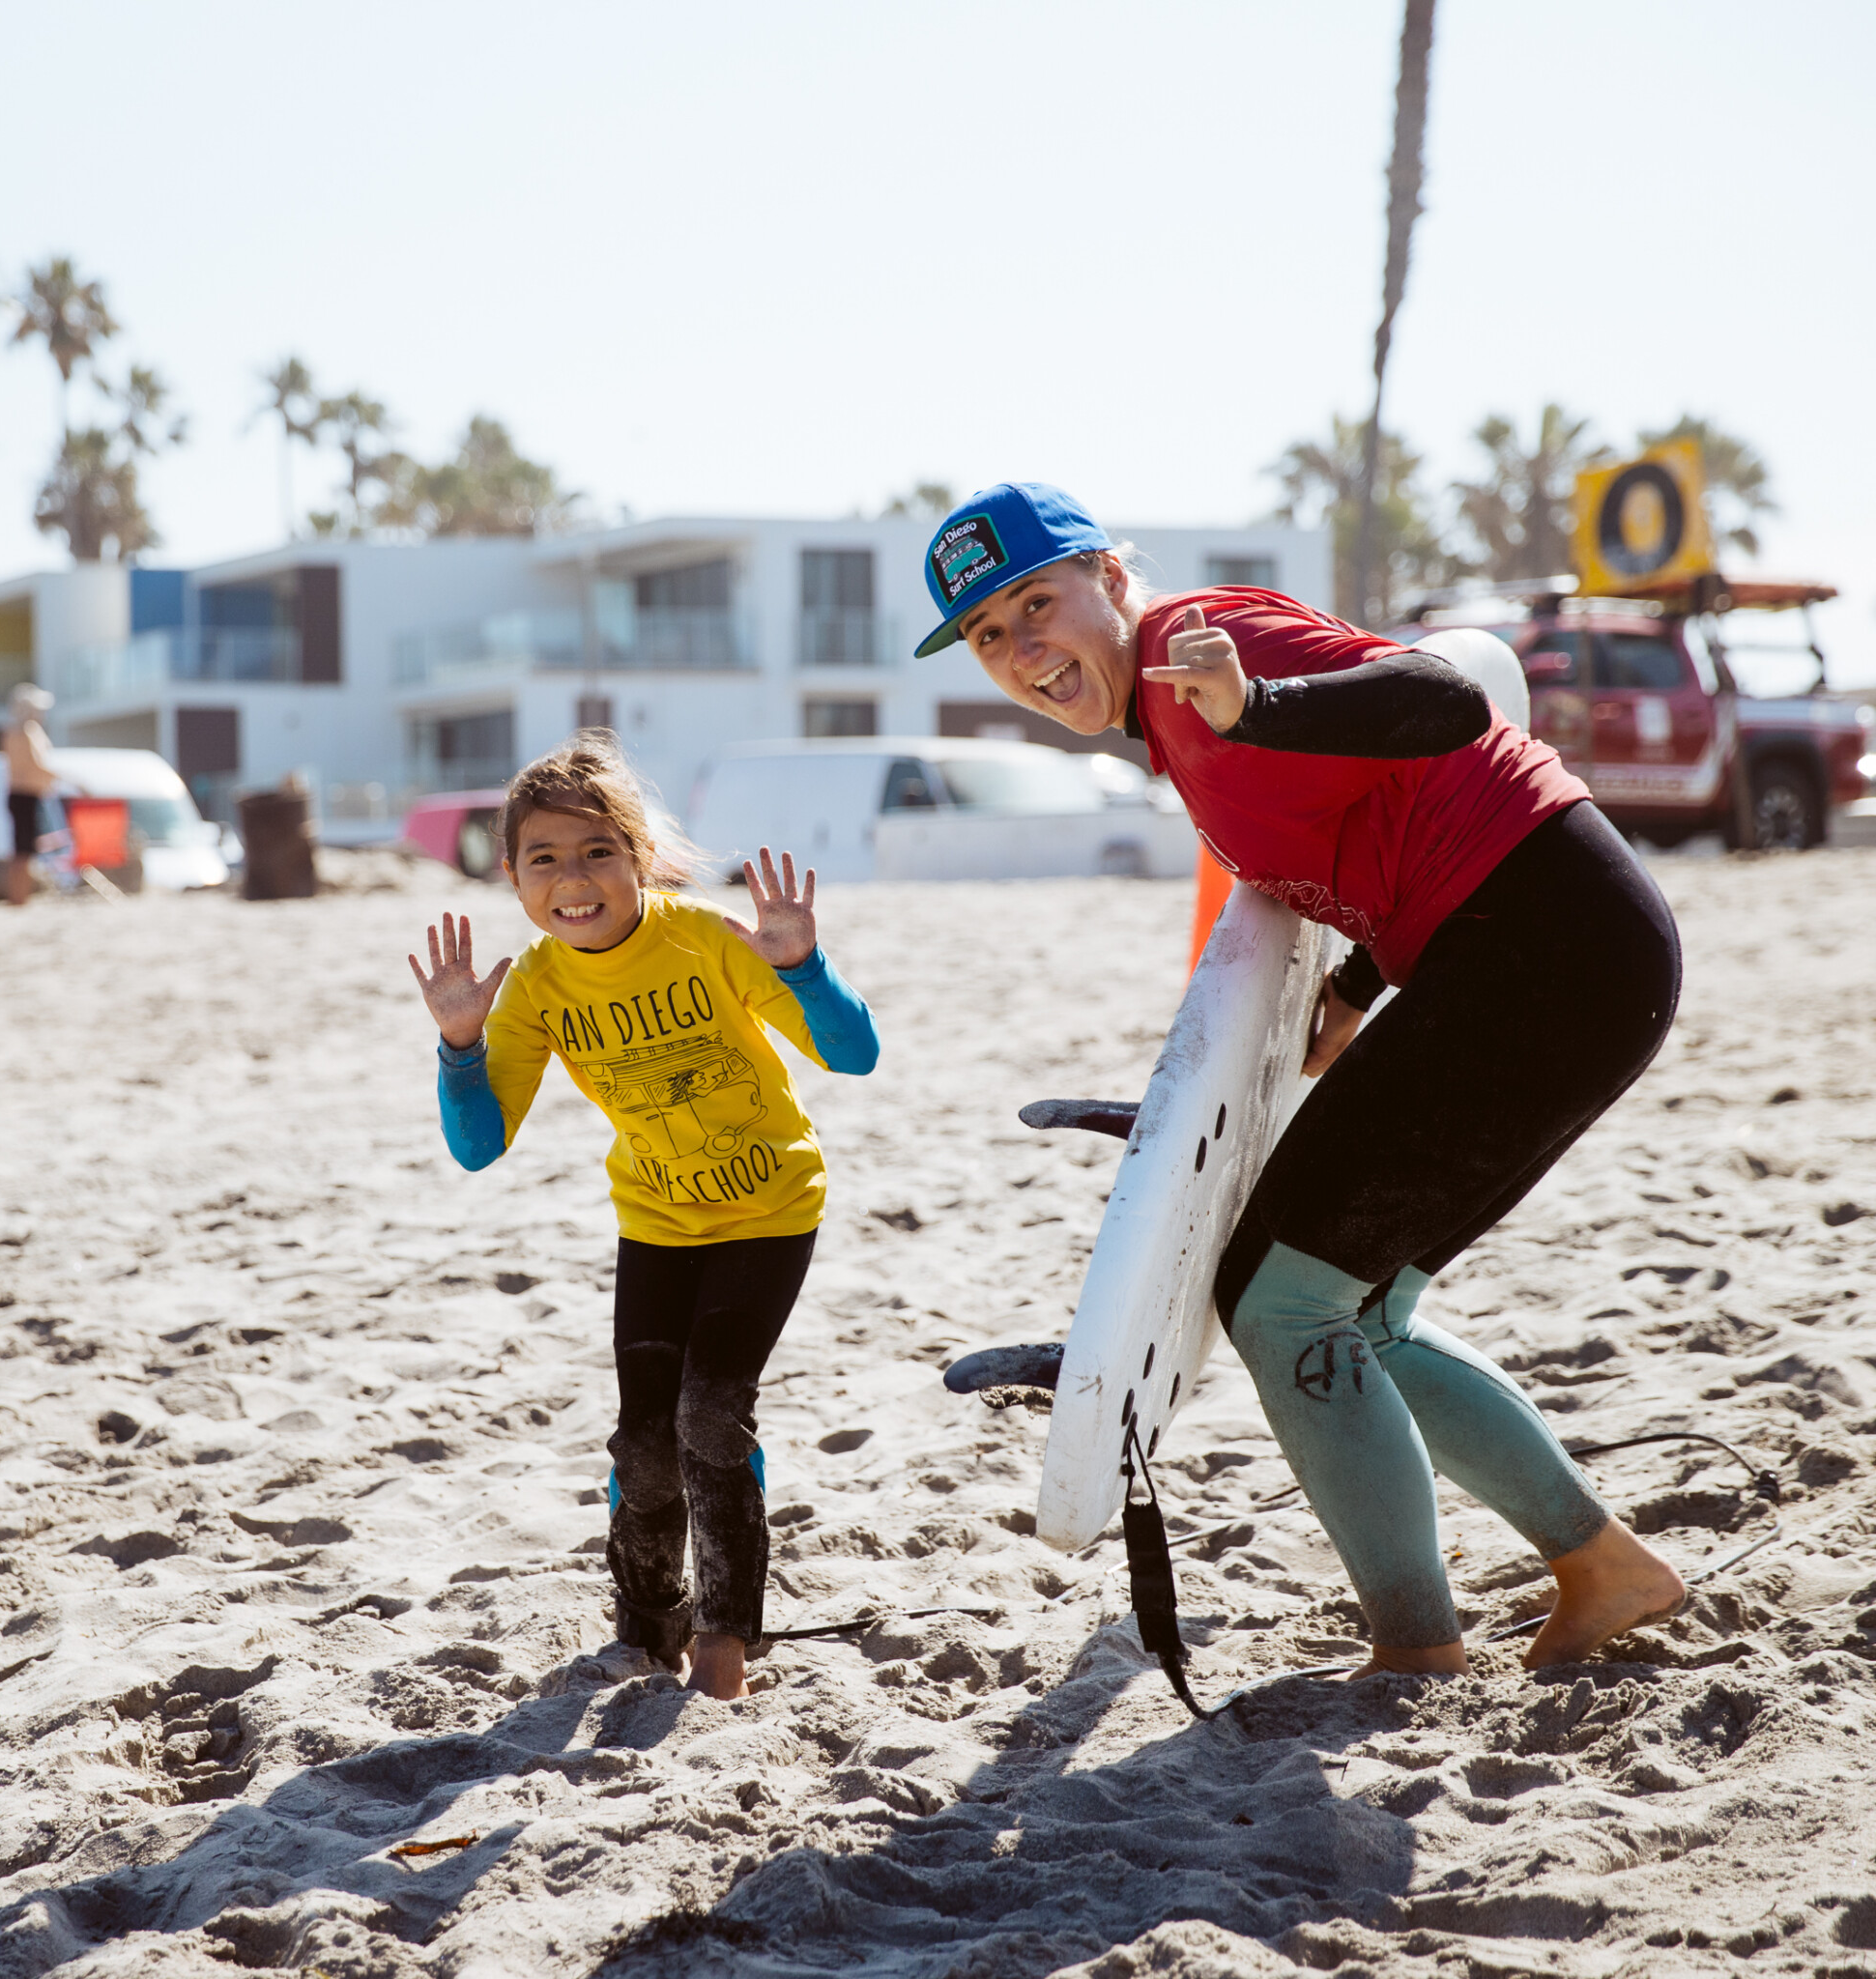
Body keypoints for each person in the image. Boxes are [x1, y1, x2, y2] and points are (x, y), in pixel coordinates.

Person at [916, 482, 1687, 1678]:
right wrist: (1358, 979)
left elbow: (1445, 699)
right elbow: (1387, 804)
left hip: (1543, 948)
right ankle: (1603, 1570)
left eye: (1036, 604)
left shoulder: (1191, 650)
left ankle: (1417, 1646)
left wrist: (1254, 699)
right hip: (1539, 955)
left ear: (1110, 582)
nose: (1023, 650)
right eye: (987, 636)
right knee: (1347, 1300)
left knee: (1281, 1299)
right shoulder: (1174, 717)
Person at [408, 734, 880, 1700]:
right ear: (512, 876)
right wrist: (461, 1043)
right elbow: (477, 1143)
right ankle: (646, 1624)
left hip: (769, 1208)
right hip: (657, 1222)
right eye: (543, 859)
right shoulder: (537, 983)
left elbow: (852, 1053)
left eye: (596, 853)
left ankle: (724, 1637)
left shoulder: (702, 938)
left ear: (639, 856)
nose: (572, 881)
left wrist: (801, 965)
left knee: (711, 1413)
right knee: (644, 1441)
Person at [3, 684, 58, 906]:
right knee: (24, 850)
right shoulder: (26, 732)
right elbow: (36, 766)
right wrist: (67, 778)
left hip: (21, 794)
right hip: (25, 795)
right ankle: (19, 898)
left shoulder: (14, 731)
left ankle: (18, 897)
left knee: (23, 849)